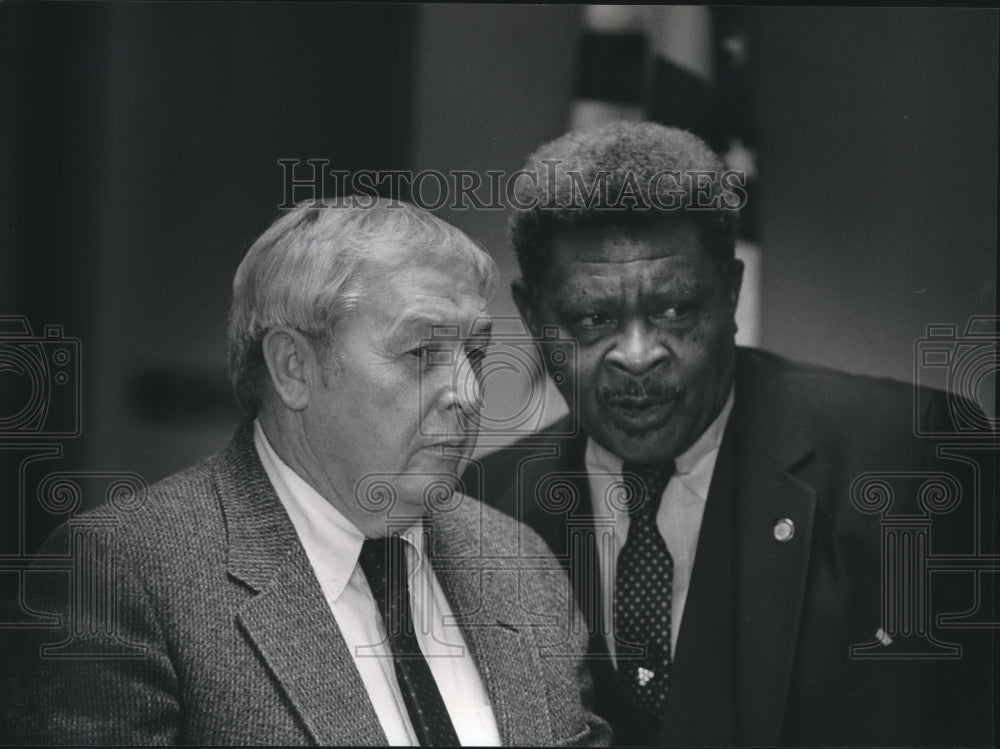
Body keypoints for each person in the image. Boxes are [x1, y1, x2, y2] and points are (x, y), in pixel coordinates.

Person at [3, 199, 610, 746]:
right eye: (424, 353)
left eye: (474, 354)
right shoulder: (125, 574)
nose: (468, 392)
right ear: (294, 367)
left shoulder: (520, 563)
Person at [467, 121, 995, 747]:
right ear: (532, 316)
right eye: (592, 318)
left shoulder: (916, 458)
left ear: (732, 293)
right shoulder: (480, 507)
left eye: (674, 310)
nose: (637, 356)